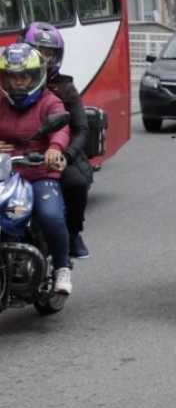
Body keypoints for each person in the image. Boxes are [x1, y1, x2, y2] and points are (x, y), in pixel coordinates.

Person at [0, 43, 72, 294]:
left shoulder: (49, 102)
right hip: (6, 175)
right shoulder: (2, 103)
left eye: (23, 77)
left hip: (40, 172)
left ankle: (62, 267)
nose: (17, 83)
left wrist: (54, 148)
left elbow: (61, 127)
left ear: (35, 76)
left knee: (51, 216)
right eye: (11, 77)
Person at [21, 22, 93, 259]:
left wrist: (67, 154)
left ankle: (72, 233)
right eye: (38, 51)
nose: (44, 58)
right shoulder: (11, 85)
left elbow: (81, 129)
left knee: (76, 183)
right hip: (19, 153)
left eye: (49, 53)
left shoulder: (65, 88)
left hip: (58, 154)